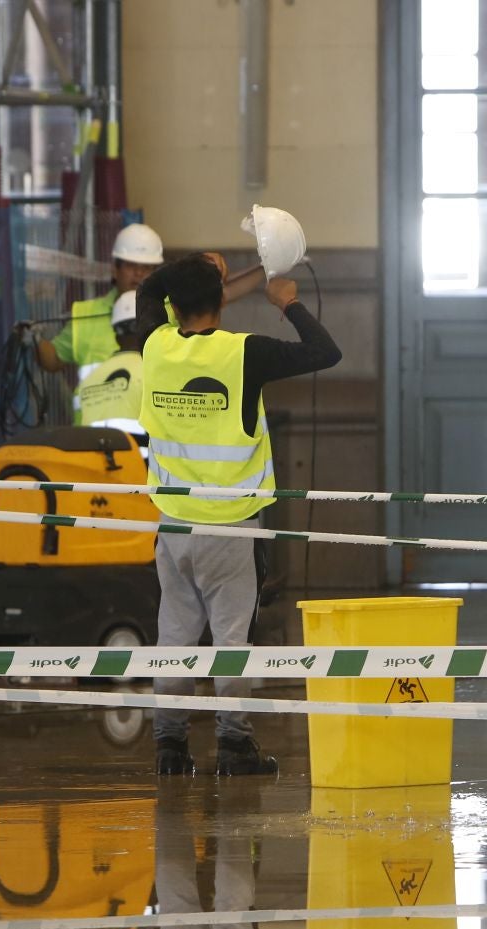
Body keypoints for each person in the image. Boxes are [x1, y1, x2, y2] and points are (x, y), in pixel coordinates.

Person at [134, 251, 340, 776]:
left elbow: (145, 293)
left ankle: (170, 747)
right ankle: (233, 745)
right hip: (229, 528)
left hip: (173, 526)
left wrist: (195, 266)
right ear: (221, 300)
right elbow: (325, 351)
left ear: (173, 305)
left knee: (175, 637)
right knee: (231, 640)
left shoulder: (155, 346)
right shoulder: (245, 353)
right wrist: (288, 304)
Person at [34, 221, 164, 387]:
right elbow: (53, 360)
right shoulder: (86, 314)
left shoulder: (172, 314)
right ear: (115, 270)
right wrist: (34, 339)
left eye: (146, 267)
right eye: (131, 265)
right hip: (99, 412)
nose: (138, 273)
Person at [71, 292, 146, 433]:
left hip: (93, 455)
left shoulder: (89, 380)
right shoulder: (152, 373)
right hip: (138, 455)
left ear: (116, 336)